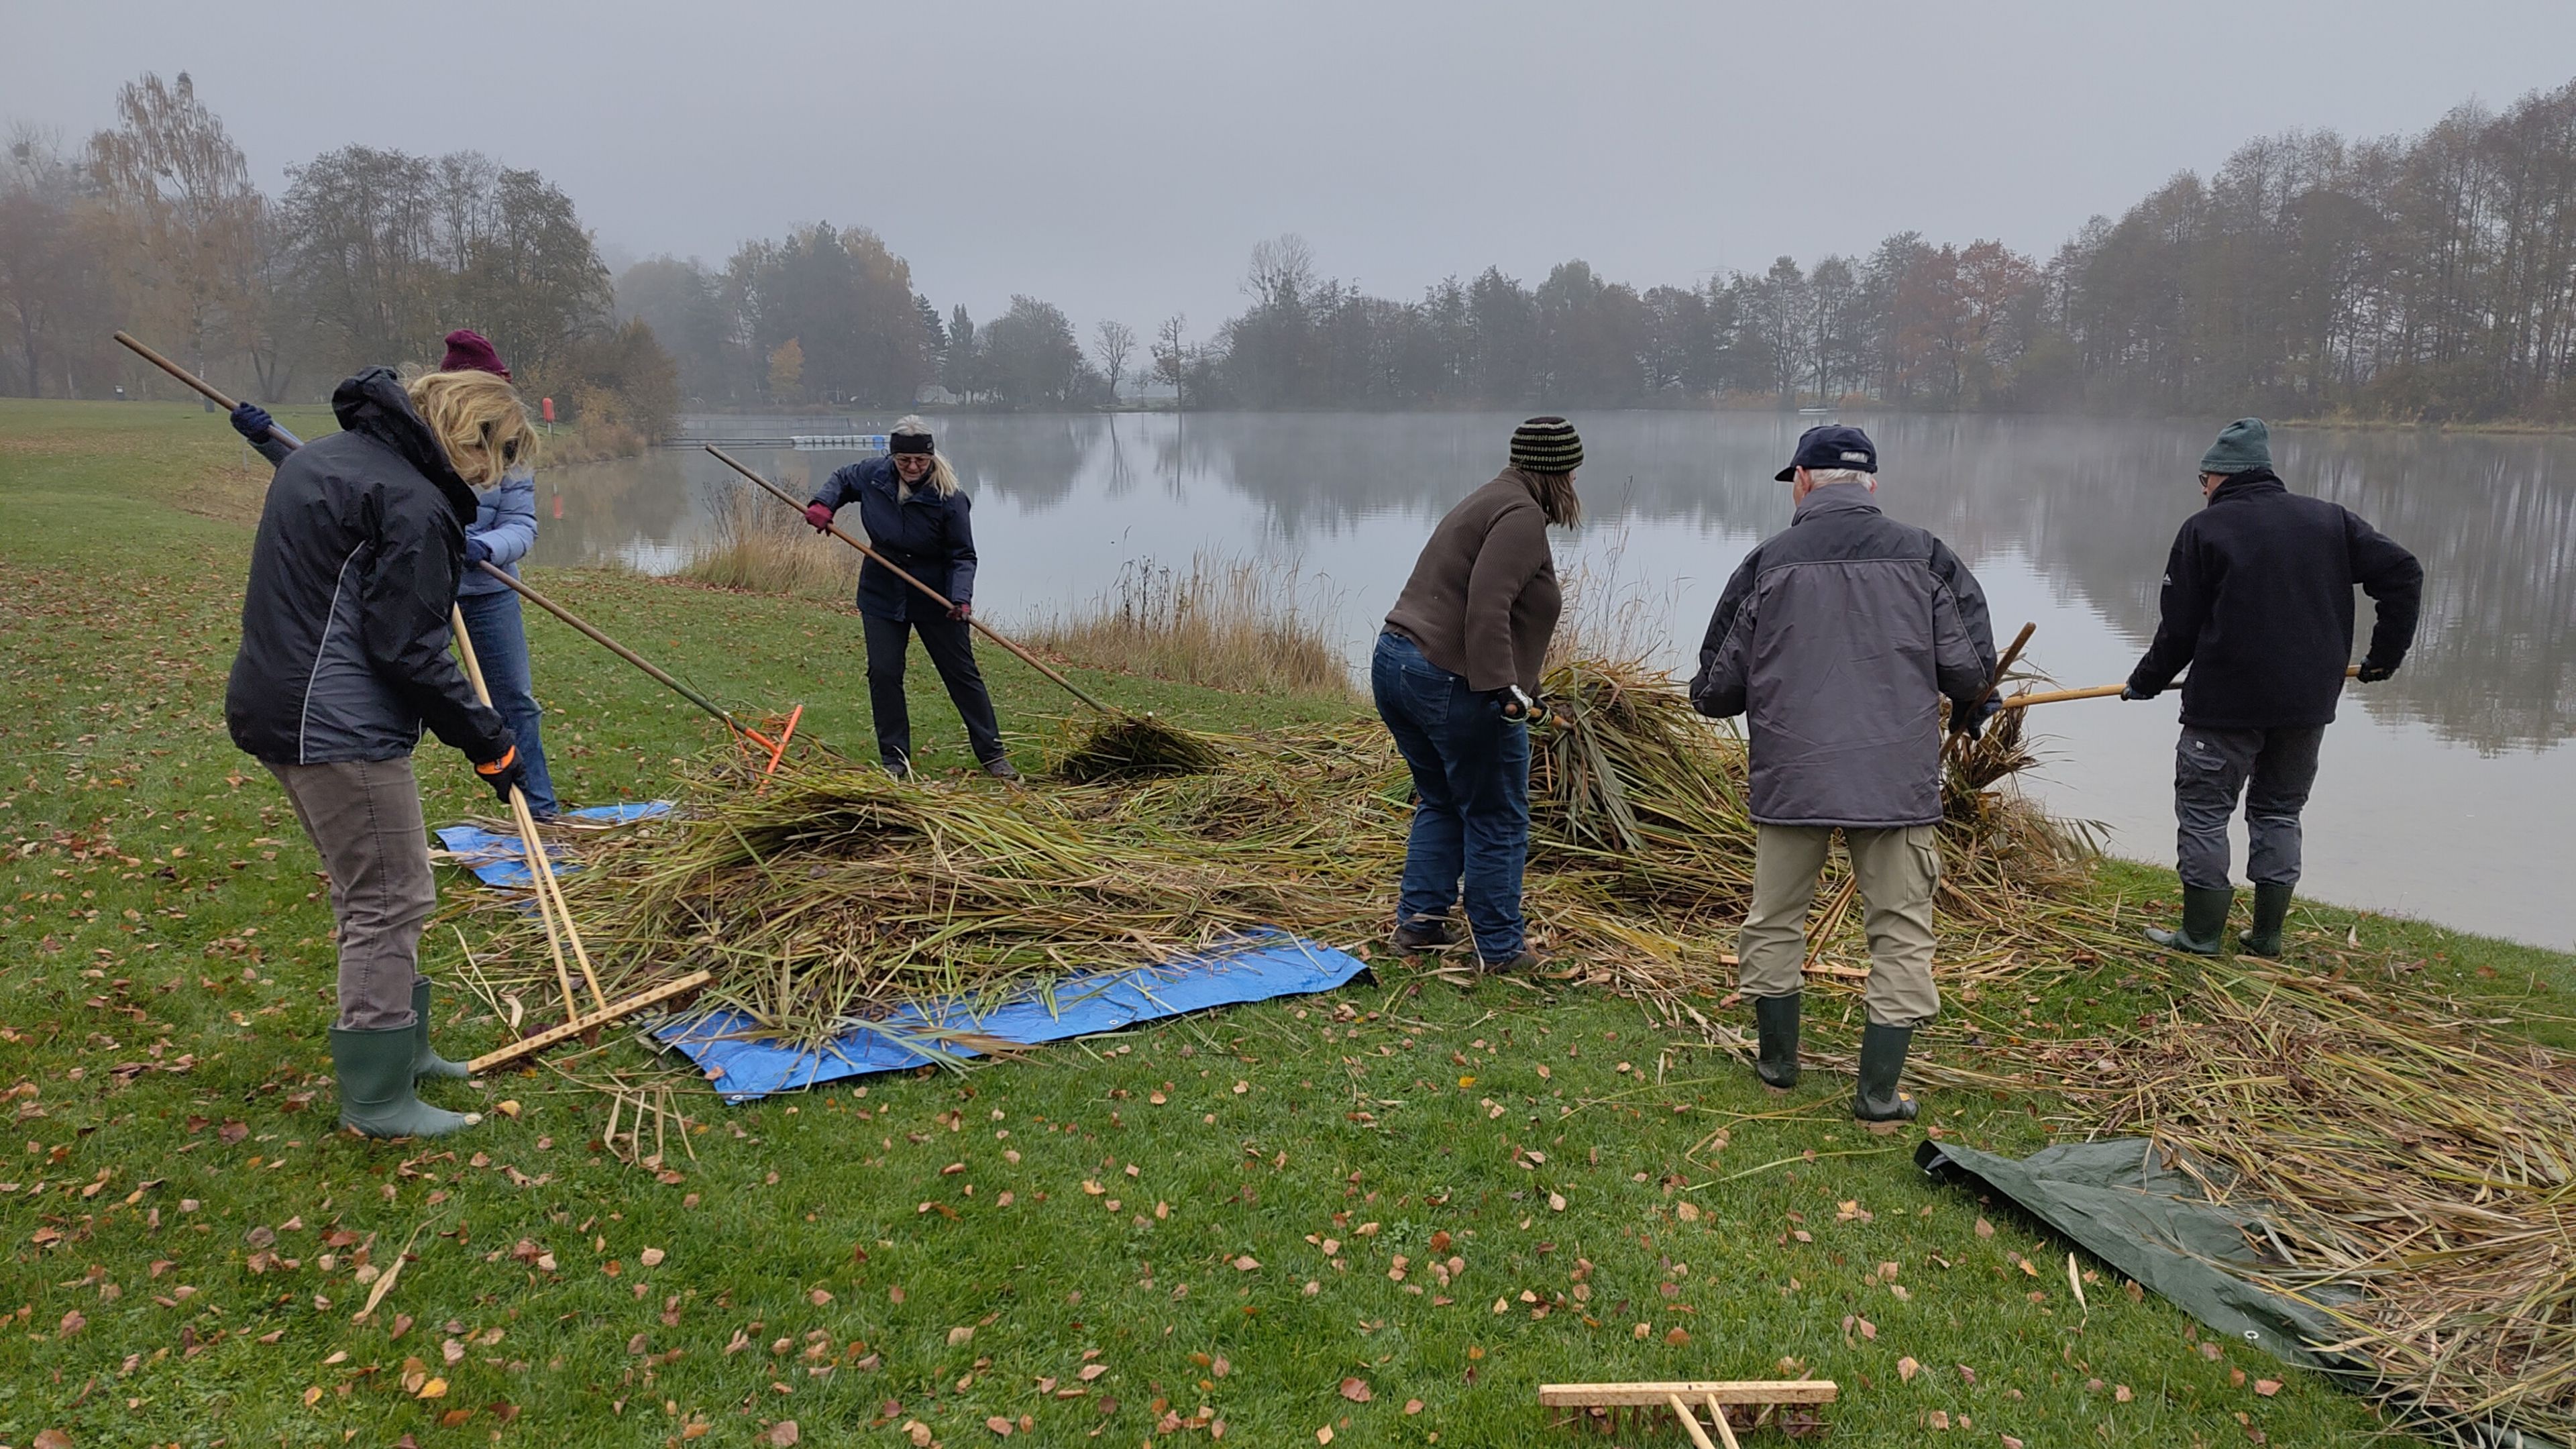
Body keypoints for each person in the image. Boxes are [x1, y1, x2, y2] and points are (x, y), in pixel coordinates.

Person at [226, 365, 537, 1138]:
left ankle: (407, 1047)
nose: (489, 475)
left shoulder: (328, 458)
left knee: (369, 887)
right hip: (335, 724)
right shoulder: (409, 498)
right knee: (390, 896)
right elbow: (408, 647)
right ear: (471, 436)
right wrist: (490, 741)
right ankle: (377, 1099)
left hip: (282, 702)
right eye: (493, 456)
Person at [1690, 425, 1997, 1123]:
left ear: (1802, 480)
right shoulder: (1926, 557)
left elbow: (1713, 690)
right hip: (1894, 782)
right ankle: (1878, 1095)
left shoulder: (1766, 563)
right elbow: (1973, 674)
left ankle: (1776, 1069)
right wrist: (1972, 708)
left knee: (1775, 921)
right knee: (1899, 930)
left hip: (1793, 776)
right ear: (1872, 486)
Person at [2123, 418, 2420, 957]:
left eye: (2203, 480)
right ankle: (2265, 937)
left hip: (2224, 707)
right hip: (2307, 703)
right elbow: (2404, 572)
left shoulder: (2203, 531)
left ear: (2217, 476)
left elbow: (2180, 629)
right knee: (2279, 810)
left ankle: (2201, 935)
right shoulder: (2330, 521)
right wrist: (2385, 657)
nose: (2203, 491)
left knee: (2206, 812)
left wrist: (2145, 682)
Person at [231, 329, 559, 817]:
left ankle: (538, 810)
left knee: (514, 700)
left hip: (484, 590)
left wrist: (480, 546)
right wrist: (267, 437)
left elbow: (523, 525)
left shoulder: (509, 448)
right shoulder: (408, 482)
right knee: (421, 676)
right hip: (408, 582)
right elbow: (339, 481)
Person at [1375, 416, 1582, 973]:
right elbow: (1487, 604)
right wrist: (1503, 692)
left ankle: (1419, 927)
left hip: (1398, 664)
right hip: (1449, 679)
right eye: (1573, 471)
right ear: (1557, 470)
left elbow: (1502, 614)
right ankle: (1500, 949)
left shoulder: (1490, 499)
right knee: (1497, 816)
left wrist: (1528, 689)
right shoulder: (1519, 517)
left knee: (1443, 800)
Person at [806, 416, 1017, 780]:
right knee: (884, 673)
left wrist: (960, 599)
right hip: (882, 592)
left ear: (932, 458)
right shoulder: (874, 475)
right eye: (905, 461)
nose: (913, 467)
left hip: (936, 596)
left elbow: (963, 556)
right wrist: (824, 505)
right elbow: (842, 479)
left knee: (961, 675)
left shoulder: (950, 498)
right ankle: (894, 759)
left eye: (921, 460)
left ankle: (992, 755)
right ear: (893, 458)